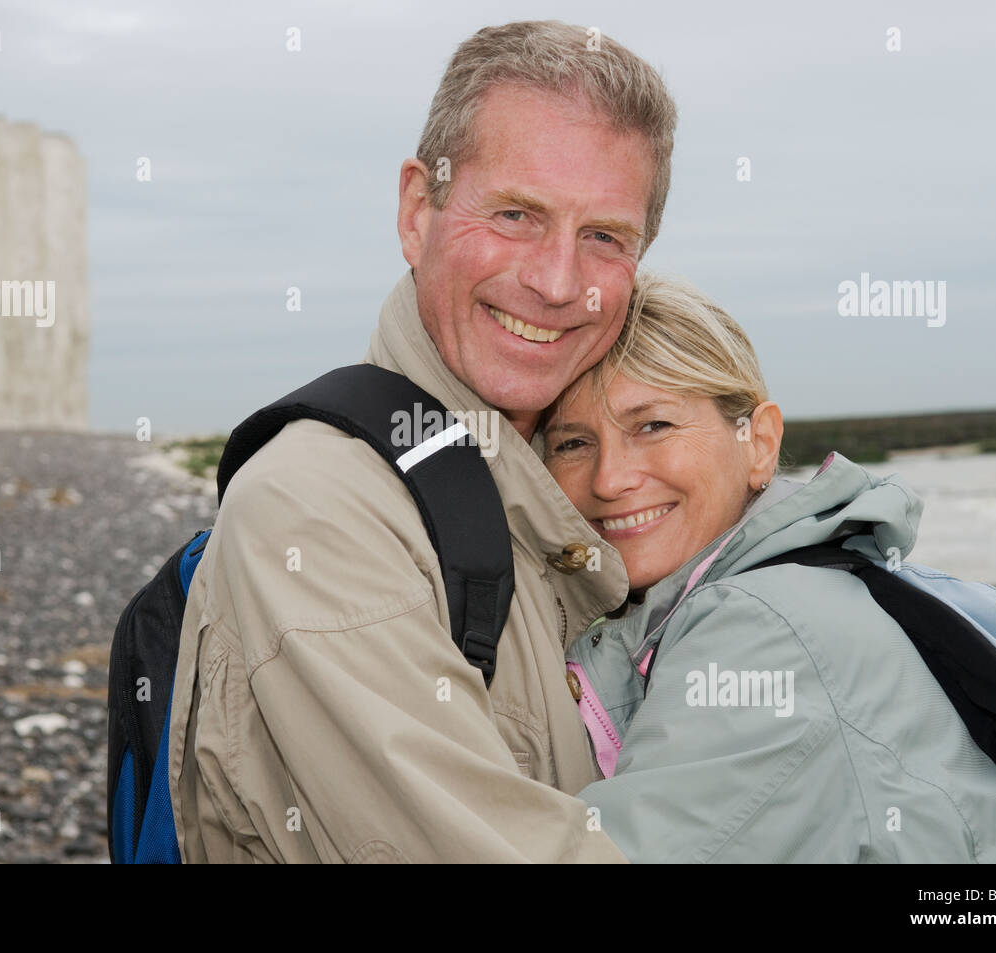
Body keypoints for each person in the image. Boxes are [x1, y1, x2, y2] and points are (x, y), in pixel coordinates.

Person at [168, 21, 678, 862]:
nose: (556, 282)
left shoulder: (582, 487)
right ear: (417, 210)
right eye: (515, 214)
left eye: (603, 237)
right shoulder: (317, 509)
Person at [545, 272, 996, 862]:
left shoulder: (762, 628)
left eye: (654, 425)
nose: (609, 479)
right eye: (572, 443)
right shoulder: (797, 585)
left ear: (760, 443)